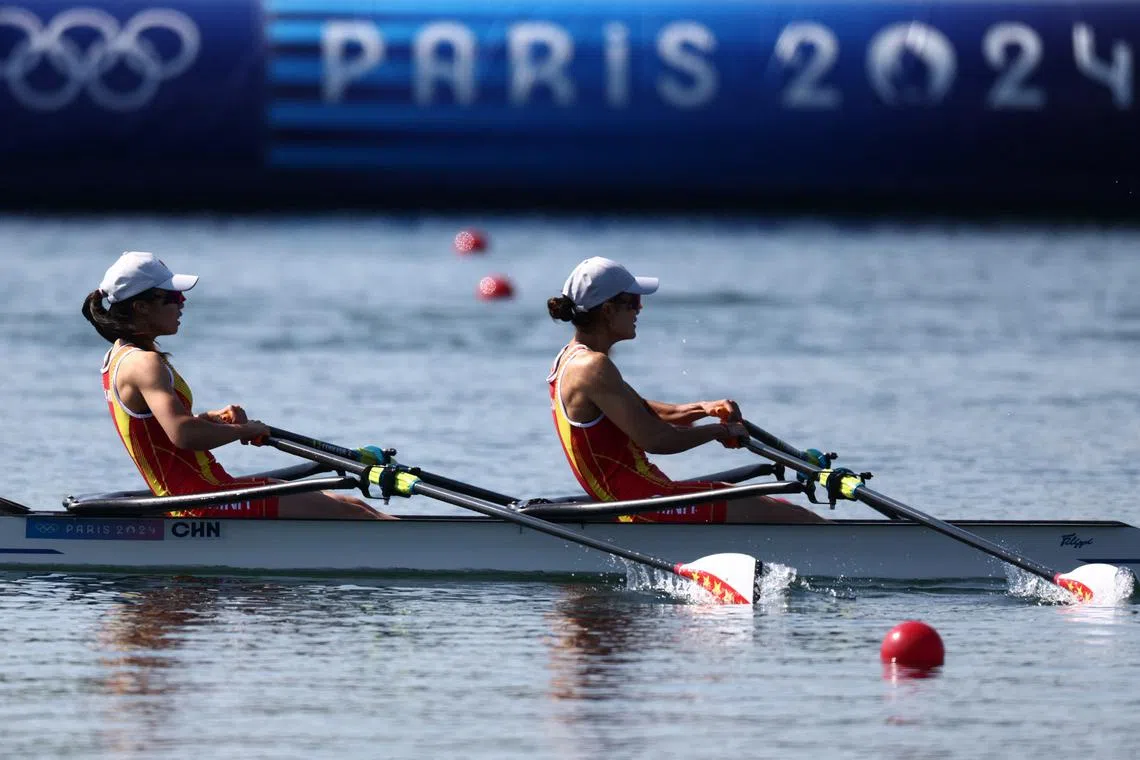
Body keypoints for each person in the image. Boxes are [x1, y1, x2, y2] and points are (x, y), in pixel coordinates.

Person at [81, 251, 387, 520]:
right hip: (201, 503)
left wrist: (211, 419)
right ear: (141, 308)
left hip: (204, 493)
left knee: (350, 505)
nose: (182, 303)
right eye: (172, 297)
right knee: (354, 513)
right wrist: (243, 432)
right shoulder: (143, 363)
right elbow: (183, 435)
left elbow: (158, 430)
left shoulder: (118, 356)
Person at [546, 256, 825, 524]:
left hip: (643, 495)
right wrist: (720, 432)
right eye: (633, 302)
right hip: (643, 503)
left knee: (776, 508)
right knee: (793, 518)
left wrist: (703, 408)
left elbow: (643, 410)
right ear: (607, 311)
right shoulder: (593, 366)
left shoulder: (570, 358)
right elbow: (656, 440)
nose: (640, 309)